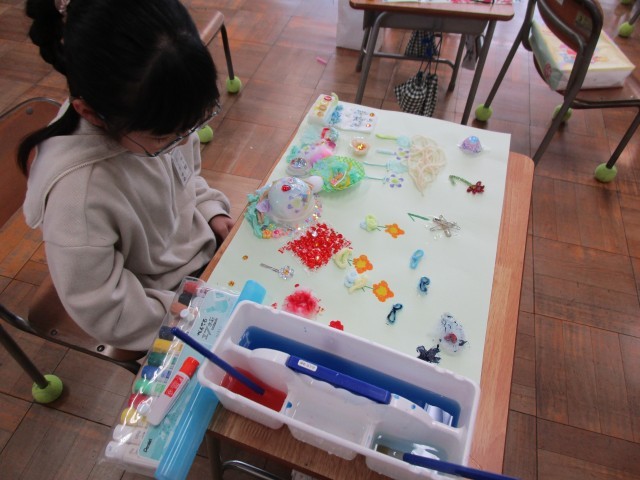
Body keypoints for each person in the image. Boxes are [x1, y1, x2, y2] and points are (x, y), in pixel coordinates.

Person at [18, 0, 234, 351]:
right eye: (166, 138)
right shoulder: (78, 194)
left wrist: (210, 210)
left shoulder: (161, 112)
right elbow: (106, 308)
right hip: (159, 307)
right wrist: (178, 317)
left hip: (200, 265)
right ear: (91, 114)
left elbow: (185, 177)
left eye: (192, 125)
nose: (184, 139)